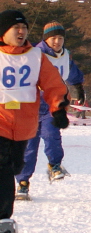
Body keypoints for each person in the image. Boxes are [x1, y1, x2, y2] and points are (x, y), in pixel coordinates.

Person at [0, 10, 69, 233]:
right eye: (15, 28)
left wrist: (58, 108)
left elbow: (53, 84)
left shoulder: (36, 56)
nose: (21, 32)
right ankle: (2, 220)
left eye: (24, 28)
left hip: (24, 125)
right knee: (1, 168)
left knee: (13, 167)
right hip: (0, 121)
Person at [16, 21, 85, 200]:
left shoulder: (65, 55)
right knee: (29, 148)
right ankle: (23, 182)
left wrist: (78, 88)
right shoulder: (35, 54)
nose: (57, 42)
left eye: (60, 38)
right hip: (30, 106)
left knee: (51, 134)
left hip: (52, 105)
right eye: (53, 38)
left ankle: (54, 165)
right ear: (46, 39)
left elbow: (73, 72)